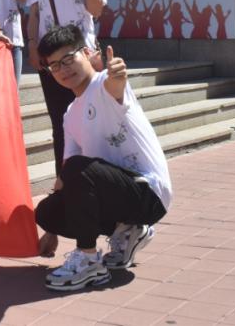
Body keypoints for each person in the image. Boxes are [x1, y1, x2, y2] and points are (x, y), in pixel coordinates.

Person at [35, 24, 171, 292]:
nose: (63, 70)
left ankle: (88, 261)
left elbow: (115, 86)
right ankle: (127, 231)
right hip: (117, 192)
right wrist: (51, 230)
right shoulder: (70, 114)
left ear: (86, 53)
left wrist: (117, 74)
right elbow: (66, 175)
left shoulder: (103, 86)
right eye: (54, 66)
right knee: (47, 210)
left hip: (148, 194)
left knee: (78, 169)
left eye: (68, 59)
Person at [27, 0, 107, 177]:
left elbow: (96, 10)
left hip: (82, 55)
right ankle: (64, 180)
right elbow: (35, 13)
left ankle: (96, 176)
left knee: (92, 116)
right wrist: (32, 45)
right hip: (53, 59)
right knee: (60, 120)